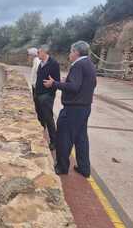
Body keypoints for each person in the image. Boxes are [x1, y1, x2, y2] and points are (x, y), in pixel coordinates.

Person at [43, 41, 97, 178]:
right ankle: (84, 168)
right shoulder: (90, 64)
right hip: (84, 108)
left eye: (71, 51)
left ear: (77, 52)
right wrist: (65, 82)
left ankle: (61, 167)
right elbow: (90, 84)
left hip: (73, 109)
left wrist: (54, 83)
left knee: (64, 138)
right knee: (81, 139)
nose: (70, 54)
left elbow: (74, 87)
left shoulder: (78, 65)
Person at [33, 44, 60, 150]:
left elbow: (56, 81)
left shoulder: (54, 64)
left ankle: (54, 141)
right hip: (38, 94)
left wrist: (48, 95)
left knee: (48, 119)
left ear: (44, 52)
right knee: (40, 117)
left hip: (46, 96)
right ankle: (40, 136)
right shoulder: (41, 63)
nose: (37, 54)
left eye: (39, 52)